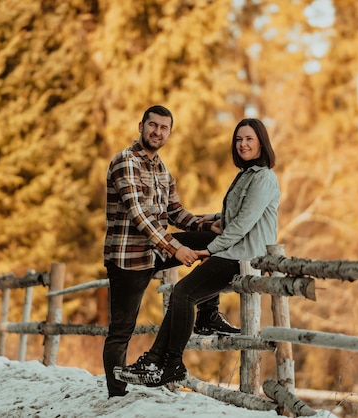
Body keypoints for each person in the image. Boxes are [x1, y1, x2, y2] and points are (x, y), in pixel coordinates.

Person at [114, 117, 280, 388]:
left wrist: (207, 250)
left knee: (182, 293)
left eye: (249, 139)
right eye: (238, 139)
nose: (242, 144)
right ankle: (143, 280)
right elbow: (232, 217)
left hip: (242, 256)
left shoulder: (264, 178)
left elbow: (241, 225)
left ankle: (171, 364)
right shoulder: (246, 175)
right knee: (171, 248)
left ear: (262, 142)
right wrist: (208, 222)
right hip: (231, 248)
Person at [103, 105, 240, 398]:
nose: (157, 132)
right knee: (121, 330)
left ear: (169, 133)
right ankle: (117, 396)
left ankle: (207, 314)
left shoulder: (162, 170)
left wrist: (209, 223)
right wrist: (175, 248)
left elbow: (176, 213)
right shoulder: (124, 162)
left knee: (206, 239)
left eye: (164, 128)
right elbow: (140, 215)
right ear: (141, 125)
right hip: (128, 258)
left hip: (154, 252)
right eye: (153, 125)